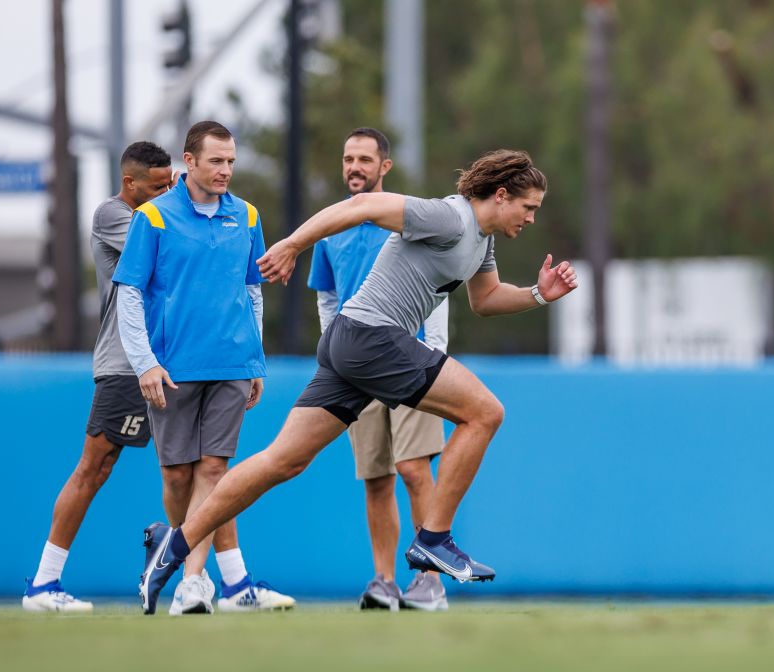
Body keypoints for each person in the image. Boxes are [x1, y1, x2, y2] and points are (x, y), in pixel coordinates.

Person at [136, 148, 578, 613]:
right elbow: (359, 207)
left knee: (281, 461)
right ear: (502, 195)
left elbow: (485, 299)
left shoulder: (481, 241)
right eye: (528, 208)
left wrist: (537, 294)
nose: (530, 219)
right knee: (485, 412)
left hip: (351, 342)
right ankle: (433, 539)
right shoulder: (448, 218)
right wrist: (292, 244)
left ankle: (175, 544)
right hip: (372, 338)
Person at [114, 121, 294, 615]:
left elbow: (253, 289)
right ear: (188, 163)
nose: (226, 170)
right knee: (177, 477)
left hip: (233, 363)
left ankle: (192, 582)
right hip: (171, 368)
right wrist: (144, 363)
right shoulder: (151, 218)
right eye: (216, 161)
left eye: (231, 161)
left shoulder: (249, 215)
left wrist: (255, 357)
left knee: (214, 469)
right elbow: (128, 293)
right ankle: (182, 563)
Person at [21, 142, 175, 612]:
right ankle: (44, 585)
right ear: (131, 184)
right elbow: (166, 252)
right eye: (159, 186)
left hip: (171, 361)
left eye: (172, 184)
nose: (168, 193)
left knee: (201, 466)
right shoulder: (114, 215)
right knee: (94, 469)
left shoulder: (163, 211)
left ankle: (217, 578)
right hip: (127, 364)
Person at [307, 128, 450, 612]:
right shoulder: (332, 226)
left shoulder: (409, 215)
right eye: (348, 158)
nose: (354, 167)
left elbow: (439, 283)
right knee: (376, 477)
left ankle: (429, 580)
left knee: (414, 468)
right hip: (356, 366)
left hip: (410, 360)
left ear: (384, 167)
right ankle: (384, 581)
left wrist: (434, 348)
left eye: (365, 159)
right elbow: (327, 296)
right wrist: (330, 347)